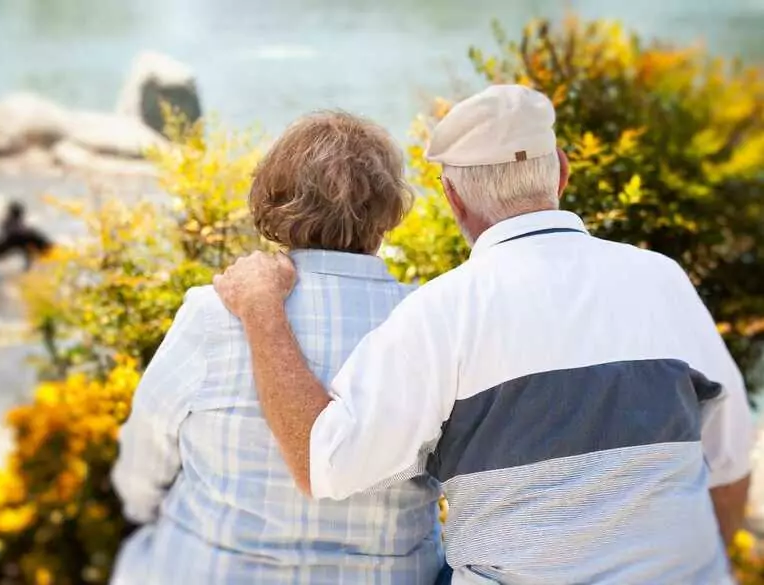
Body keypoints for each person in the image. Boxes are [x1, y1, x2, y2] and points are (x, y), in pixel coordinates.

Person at [212, 85, 754, 584]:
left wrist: (263, 311)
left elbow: (321, 463)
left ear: (454, 199)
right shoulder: (662, 279)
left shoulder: (441, 312)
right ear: (561, 172)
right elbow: (729, 465)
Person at [110, 112, 444, 584]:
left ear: (274, 199)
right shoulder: (428, 322)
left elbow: (146, 450)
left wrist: (140, 506)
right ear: (389, 209)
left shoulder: (213, 312)